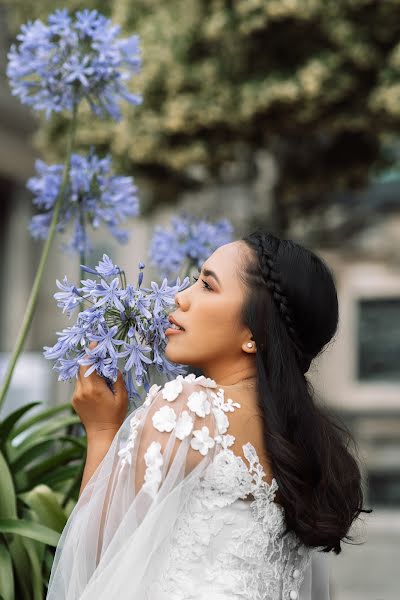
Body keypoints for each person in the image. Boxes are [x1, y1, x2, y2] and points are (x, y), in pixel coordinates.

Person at [46, 230, 370, 599]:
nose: (179, 298)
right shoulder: (304, 437)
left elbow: (99, 559)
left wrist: (102, 428)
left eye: (207, 285)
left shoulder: (187, 409)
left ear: (255, 331)